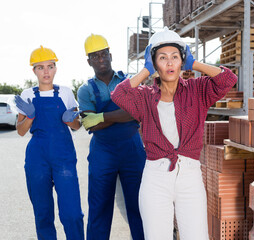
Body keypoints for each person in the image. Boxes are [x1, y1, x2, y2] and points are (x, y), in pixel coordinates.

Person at [111, 27, 238, 240]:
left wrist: (195, 64)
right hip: (156, 177)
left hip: (190, 176)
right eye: (162, 58)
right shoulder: (144, 97)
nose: (169, 63)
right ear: (154, 64)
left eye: (175, 57)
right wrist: (145, 71)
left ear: (182, 61)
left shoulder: (198, 90)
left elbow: (228, 79)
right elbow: (119, 95)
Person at [77, 34, 146, 240]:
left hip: (132, 150)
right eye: (95, 56)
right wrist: (123, 114)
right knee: (99, 207)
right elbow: (92, 125)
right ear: (88, 60)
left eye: (104, 53)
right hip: (102, 152)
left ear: (110, 55)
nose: (101, 59)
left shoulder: (128, 81)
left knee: (139, 206)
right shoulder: (85, 90)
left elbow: (137, 112)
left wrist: (102, 116)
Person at [15, 46, 84, 239]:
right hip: (37, 158)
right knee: (43, 213)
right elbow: (21, 131)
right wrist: (30, 116)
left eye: (50, 66)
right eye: (40, 67)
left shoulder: (66, 93)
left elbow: (76, 126)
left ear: (56, 68)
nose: (46, 71)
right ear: (34, 70)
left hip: (63, 156)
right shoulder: (27, 94)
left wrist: (70, 119)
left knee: (72, 214)